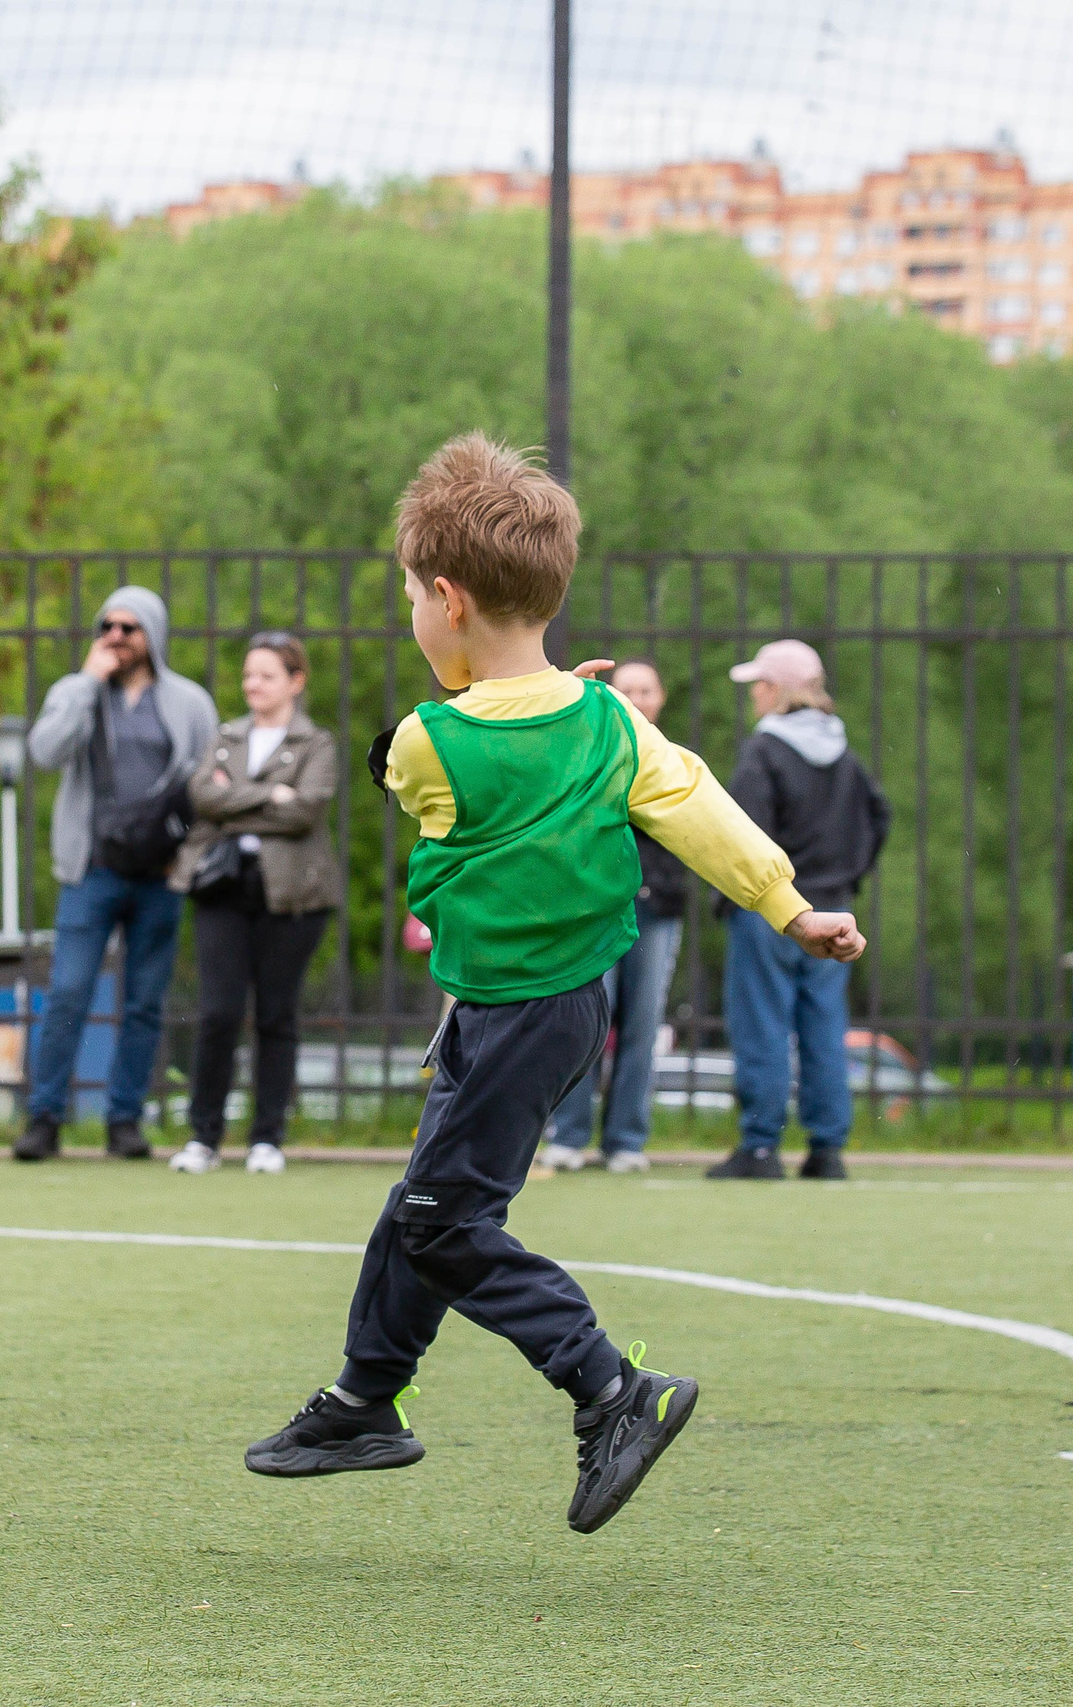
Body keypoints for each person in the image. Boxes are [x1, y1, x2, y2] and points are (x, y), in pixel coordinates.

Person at [241, 435, 865, 1537]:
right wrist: (789, 906)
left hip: (513, 1015)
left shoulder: (427, 743)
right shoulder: (609, 721)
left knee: (442, 1221)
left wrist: (509, 703)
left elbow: (412, 764)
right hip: (553, 1007)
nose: (412, 620)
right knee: (423, 1207)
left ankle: (612, 1390)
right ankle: (361, 1400)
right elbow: (697, 804)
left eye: (410, 601)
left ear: (447, 599)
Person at [15, 586, 216, 1162]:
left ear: (152, 633)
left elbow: (208, 784)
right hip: (92, 871)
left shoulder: (187, 702)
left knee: (145, 1002)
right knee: (69, 992)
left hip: (160, 873)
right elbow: (45, 751)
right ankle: (45, 1117)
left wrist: (189, 857)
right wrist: (85, 682)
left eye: (130, 628)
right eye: (108, 626)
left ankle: (124, 1120)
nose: (117, 637)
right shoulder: (79, 693)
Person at [710, 638, 892, 1182]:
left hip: (774, 909)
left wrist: (736, 897)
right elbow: (879, 817)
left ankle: (761, 1147)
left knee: (762, 1022)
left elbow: (739, 830)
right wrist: (848, 877)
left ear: (773, 689)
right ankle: (827, 1149)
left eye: (757, 687)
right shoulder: (845, 755)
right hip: (833, 908)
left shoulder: (763, 752)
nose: (754, 698)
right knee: (823, 1025)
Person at [167, 631, 340, 1177]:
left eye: (265, 675)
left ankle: (267, 1137)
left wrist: (235, 803)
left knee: (275, 1014)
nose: (252, 685)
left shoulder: (317, 743)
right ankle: (204, 1137)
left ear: (295, 681)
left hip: (292, 895)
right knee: (218, 1012)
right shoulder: (226, 736)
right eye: (248, 675)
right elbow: (202, 796)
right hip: (224, 887)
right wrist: (271, 796)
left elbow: (306, 810)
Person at [540, 659, 692, 1175]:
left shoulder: (673, 759)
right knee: (585, 1019)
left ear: (661, 697)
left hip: (658, 907)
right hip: (595, 908)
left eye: (647, 689)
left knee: (642, 1024)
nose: (638, 698)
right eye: (627, 689)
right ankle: (570, 1133)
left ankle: (626, 1139)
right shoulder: (589, 750)